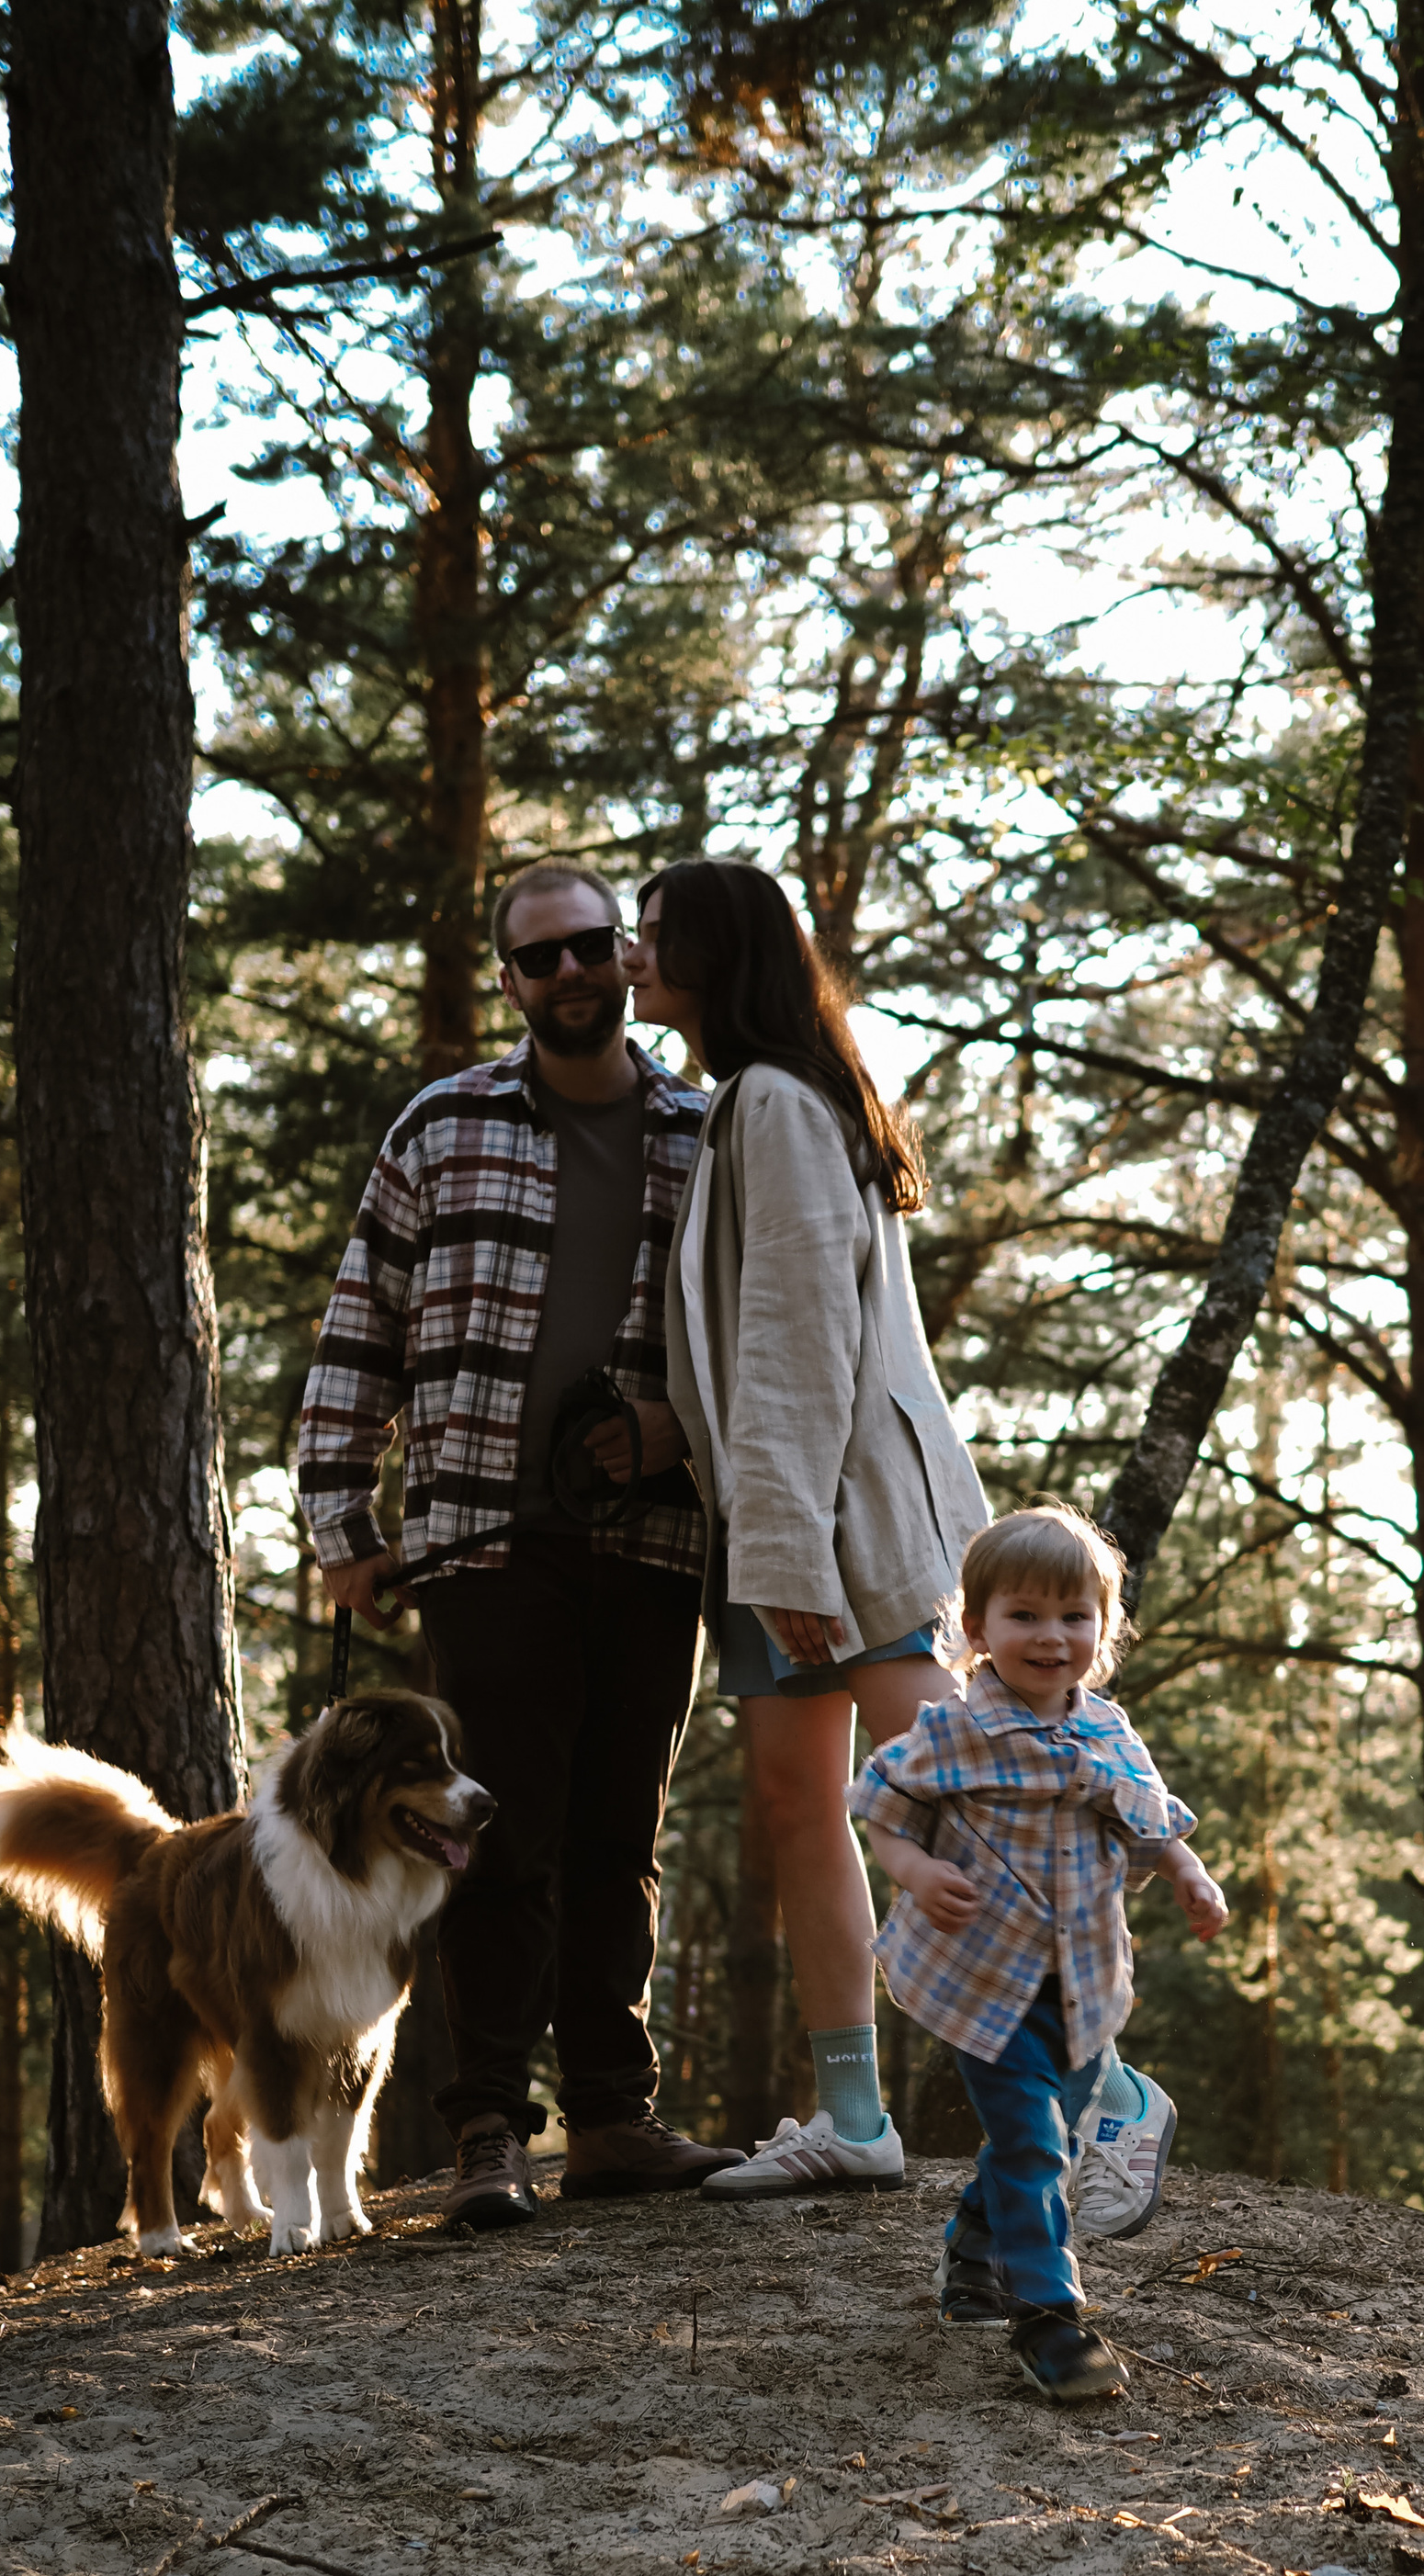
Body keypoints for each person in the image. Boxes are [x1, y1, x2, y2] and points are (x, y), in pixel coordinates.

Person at [298, 855, 742, 2229]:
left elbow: (750, 1326)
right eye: (538, 957)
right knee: (495, 1834)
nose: (569, 974)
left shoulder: (706, 1132)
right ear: (508, 979)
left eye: (591, 948)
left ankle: (614, 2119)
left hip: (652, 1539)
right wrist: (340, 1517)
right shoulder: (442, 1126)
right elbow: (358, 1324)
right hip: (482, 1540)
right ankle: (488, 2126)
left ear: (629, 958)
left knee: (621, 1836)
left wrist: (672, 1426)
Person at [626, 858, 990, 2198]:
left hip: (844, 1524)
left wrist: (780, 1551)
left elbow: (798, 1341)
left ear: (719, 955)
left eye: (654, 937)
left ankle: (1113, 2094)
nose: (628, 957)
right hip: (785, 1521)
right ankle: (855, 2117)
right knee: (801, 1808)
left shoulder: (775, 1102)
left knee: (964, 1808)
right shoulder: (753, 1101)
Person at [846, 1504, 1228, 2402]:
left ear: (1102, 1632)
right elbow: (882, 1807)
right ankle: (1048, 2317)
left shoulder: (1106, 1730)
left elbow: (1151, 1815)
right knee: (1029, 2142)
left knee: (1040, 2135)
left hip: (1084, 1984)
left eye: (1072, 1616)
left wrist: (1188, 1873)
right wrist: (914, 1868)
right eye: (1023, 1615)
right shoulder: (951, 1730)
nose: (1050, 1636)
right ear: (975, 1629)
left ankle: (971, 2258)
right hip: (987, 1987)